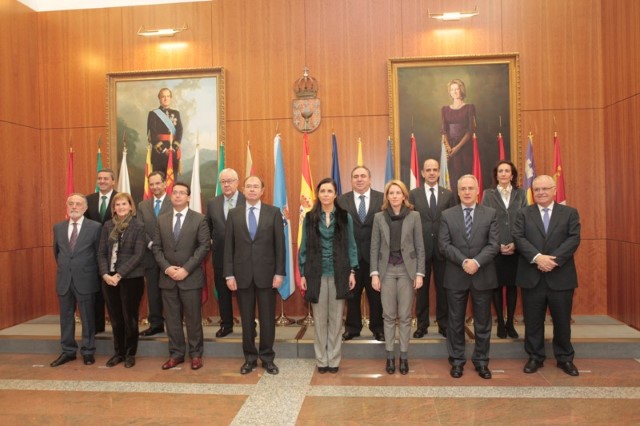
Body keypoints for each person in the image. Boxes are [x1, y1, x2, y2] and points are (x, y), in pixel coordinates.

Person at [513, 175, 581, 377]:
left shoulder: (569, 213)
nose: (541, 192)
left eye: (545, 188)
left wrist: (552, 261)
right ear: (532, 192)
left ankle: (565, 359)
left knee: (562, 321)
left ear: (554, 190)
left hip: (560, 276)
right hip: (531, 276)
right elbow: (519, 237)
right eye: (537, 189)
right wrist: (537, 258)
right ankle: (535, 357)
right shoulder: (523, 213)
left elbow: (574, 238)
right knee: (533, 321)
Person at [224, 176, 285, 375]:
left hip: (267, 275)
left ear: (262, 190)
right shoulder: (233, 214)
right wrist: (229, 275)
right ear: (243, 189)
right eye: (248, 186)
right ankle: (249, 358)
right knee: (247, 320)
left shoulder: (273, 212)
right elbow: (228, 247)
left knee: (267, 319)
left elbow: (280, 246)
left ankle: (267, 358)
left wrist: (279, 273)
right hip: (242, 275)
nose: (251, 189)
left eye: (255, 186)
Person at [439, 175, 499, 379]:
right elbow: (444, 245)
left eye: (470, 188)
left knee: (483, 322)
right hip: (456, 275)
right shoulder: (447, 215)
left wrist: (476, 262)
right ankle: (457, 361)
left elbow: (494, 244)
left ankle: (482, 362)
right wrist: (465, 262)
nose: (466, 192)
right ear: (458, 191)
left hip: (483, 275)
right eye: (463, 188)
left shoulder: (490, 214)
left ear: (477, 190)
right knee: (455, 322)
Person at [299, 178, 358, 374]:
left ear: (335, 194)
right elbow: (304, 247)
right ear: (318, 194)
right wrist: (303, 273)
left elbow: (351, 246)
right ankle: (321, 360)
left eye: (329, 191)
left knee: (335, 320)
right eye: (322, 191)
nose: (325, 194)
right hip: (315, 273)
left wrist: (352, 271)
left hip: (339, 273)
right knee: (319, 320)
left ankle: (333, 359)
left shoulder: (344, 217)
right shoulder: (309, 218)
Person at [152, 182, 210, 371]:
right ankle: (176, 354)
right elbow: (157, 248)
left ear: (188, 197)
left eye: (181, 193)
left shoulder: (199, 219)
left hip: (190, 277)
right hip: (167, 278)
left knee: (193, 319)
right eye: (174, 192)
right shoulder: (162, 219)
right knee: (172, 319)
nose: (177, 196)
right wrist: (167, 268)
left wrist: (186, 269)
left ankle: (195, 355)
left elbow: (203, 247)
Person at [370, 180, 425, 375]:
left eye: (398, 192)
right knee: (388, 315)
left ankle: (403, 356)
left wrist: (419, 273)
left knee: (405, 315)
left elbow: (419, 246)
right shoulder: (379, 217)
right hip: (385, 271)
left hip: (406, 270)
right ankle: (390, 356)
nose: (394, 196)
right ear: (387, 196)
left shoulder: (414, 216)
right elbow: (374, 247)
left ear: (404, 196)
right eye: (391, 193)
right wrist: (374, 273)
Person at [51, 194, 102, 367]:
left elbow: (98, 253)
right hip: (64, 279)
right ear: (66, 207)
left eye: (78, 204)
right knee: (66, 317)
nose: (74, 207)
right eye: (71, 204)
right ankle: (68, 351)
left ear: (85, 208)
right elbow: (57, 253)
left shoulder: (95, 227)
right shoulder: (58, 227)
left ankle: (88, 351)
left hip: (86, 279)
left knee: (87, 317)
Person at [97, 193, 146, 368]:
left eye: (124, 204)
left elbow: (138, 254)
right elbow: (101, 252)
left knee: (129, 318)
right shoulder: (107, 226)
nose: (121, 207)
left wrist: (119, 274)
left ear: (131, 206)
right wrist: (105, 274)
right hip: (109, 280)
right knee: (115, 318)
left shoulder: (138, 226)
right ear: (113, 208)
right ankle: (118, 352)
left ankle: (130, 353)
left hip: (131, 279)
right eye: (117, 205)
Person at [409, 158, 456, 338]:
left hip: (443, 250)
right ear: (422, 173)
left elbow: (453, 221)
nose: (431, 173)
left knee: (443, 289)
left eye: (435, 170)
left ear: (438, 172)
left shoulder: (448, 194)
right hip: (420, 250)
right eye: (428, 170)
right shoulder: (414, 194)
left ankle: (443, 324)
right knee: (421, 290)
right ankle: (422, 325)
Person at [337, 166, 385, 342]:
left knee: (376, 295)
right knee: (352, 295)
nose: (359, 179)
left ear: (370, 179)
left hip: (376, 257)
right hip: (351, 257)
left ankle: (378, 328)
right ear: (351, 180)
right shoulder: (342, 201)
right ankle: (352, 328)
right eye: (355, 176)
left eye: (363, 176)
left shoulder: (382, 198)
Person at [481, 161, 528, 339]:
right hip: (496, 248)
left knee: (512, 286)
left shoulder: (521, 194)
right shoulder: (488, 194)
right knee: (497, 286)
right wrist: (496, 244)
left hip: (516, 248)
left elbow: (524, 219)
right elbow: (484, 220)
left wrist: (516, 243)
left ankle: (510, 323)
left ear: (512, 175)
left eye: (506, 171)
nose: (503, 174)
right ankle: (500, 322)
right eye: (500, 171)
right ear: (496, 175)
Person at [206, 168, 245, 338]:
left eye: (230, 181)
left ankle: (249, 324)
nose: (227, 184)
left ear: (237, 182)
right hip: (220, 255)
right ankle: (226, 324)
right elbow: (208, 228)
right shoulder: (213, 203)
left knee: (246, 293)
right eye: (223, 181)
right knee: (223, 292)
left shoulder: (247, 200)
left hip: (244, 257)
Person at [138, 171, 172, 337]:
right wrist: (151, 244)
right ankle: (156, 324)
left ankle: (173, 325)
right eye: (151, 184)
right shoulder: (143, 205)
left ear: (165, 184)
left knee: (171, 292)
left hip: (170, 256)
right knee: (153, 292)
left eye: (158, 183)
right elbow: (140, 228)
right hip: (150, 255)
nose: (154, 187)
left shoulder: (174, 202)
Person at [85, 168, 118, 333]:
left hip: (114, 253)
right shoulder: (88, 199)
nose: (102, 181)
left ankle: (117, 328)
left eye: (106, 179)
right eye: (99, 178)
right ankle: (97, 327)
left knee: (113, 295)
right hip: (92, 253)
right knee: (95, 292)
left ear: (113, 181)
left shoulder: (120, 199)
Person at [441, 78, 476, 194]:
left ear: (461, 90)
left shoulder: (469, 107)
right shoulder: (445, 109)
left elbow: (470, 130)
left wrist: (457, 147)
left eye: (457, 89)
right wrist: (448, 147)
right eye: (452, 89)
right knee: (452, 180)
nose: (454, 92)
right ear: (449, 92)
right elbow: (443, 130)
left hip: (464, 148)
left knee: (465, 179)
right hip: (449, 149)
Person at [147, 88, 183, 175]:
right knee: (159, 181)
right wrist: (163, 150)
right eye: (163, 96)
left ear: (170, 98)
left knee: (172, 182)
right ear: (159, 98)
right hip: (159, 154)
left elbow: (179, 131)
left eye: (168, 96)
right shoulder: (153, 114)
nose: (166, 98)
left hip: (173, 151)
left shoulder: (176, 113)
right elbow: (152, 134)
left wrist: (173, 148)